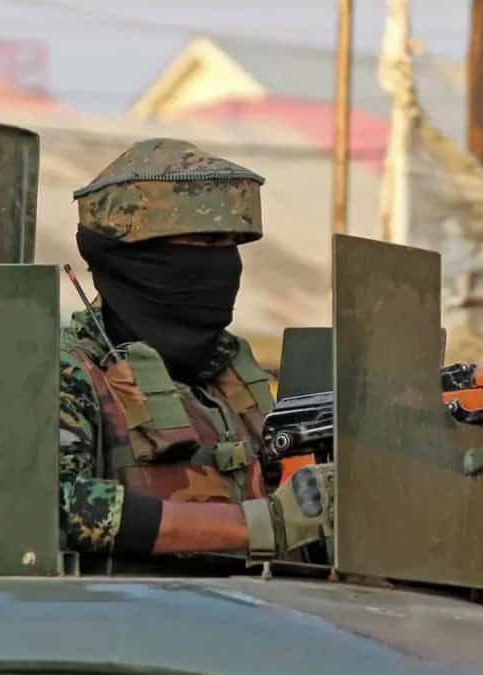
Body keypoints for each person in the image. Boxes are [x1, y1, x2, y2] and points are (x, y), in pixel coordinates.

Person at [57, 138, 333, 563]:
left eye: (229, 245)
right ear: (135, 257)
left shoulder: (229, 378)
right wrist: (259, 526)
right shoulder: (70, 371)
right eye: (203, 242)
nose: (222, 265)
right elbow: (59, 506)